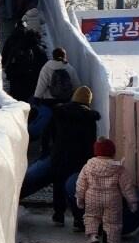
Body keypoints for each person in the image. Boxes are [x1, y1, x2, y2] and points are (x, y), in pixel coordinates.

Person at [43, 86, 100, 227]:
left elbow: (48, 133)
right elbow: (91, 142)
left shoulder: (60, 113)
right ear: (88, 101)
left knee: (59, 184)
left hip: (59, 154)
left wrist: (48, 150)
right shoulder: (89, 118)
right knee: (77, 188)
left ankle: (58, 215)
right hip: (79, 158)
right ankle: (78, 219)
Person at [76, 138, 138, 243]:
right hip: (112, 199)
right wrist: (132, 202)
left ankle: (93, 235)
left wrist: (79, 198)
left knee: (91, 217)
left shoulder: (88, 166)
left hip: (92, 198)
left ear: (96, 151)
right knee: (113, 221)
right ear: (112, 152)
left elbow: (81, 184)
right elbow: (127, 186)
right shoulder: (118, 168)